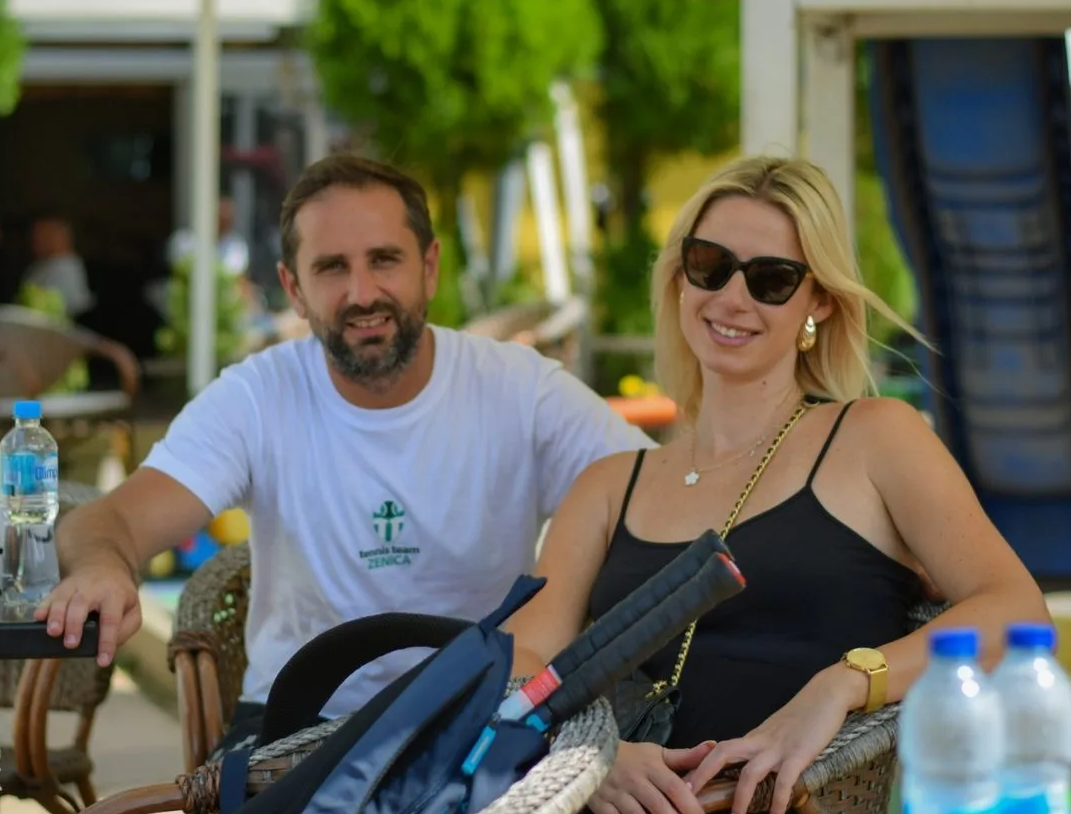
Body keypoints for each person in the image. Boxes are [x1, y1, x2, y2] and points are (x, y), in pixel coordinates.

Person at [39, 154, 654, 755]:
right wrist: (102, 566)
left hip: (477, 726)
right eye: (332, 267)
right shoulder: (256, 397)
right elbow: (108, 521)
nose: (362, 293)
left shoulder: (521, 390)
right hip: (299, 732)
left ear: (429, 267)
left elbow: (661, 493)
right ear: (293, 288)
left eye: (384, 260)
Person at [502, 156, 1050, 814]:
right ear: (679, 277)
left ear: (819, 301)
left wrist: (845, 683)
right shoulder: (609, 485)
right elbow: (521, 661)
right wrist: (593, 752)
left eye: (771, 279)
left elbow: (1017, 610)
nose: (732, 298)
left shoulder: (874, 438)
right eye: (710, 264)